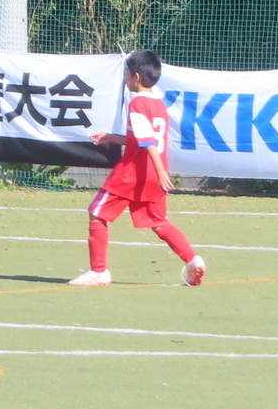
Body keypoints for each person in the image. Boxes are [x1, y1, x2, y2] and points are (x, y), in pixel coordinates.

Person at [70, 49, 206, 288]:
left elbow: (146, 141)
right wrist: (112, 138)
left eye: (125, 74)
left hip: (133, 171)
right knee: (159, 222)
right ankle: (192, 259)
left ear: (136, 76)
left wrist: (160, 171)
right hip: (154, 172)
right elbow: (142, 137)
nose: (124, 79)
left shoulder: (137, 102)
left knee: (97, 214)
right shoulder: (159, 105)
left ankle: (98, 271)